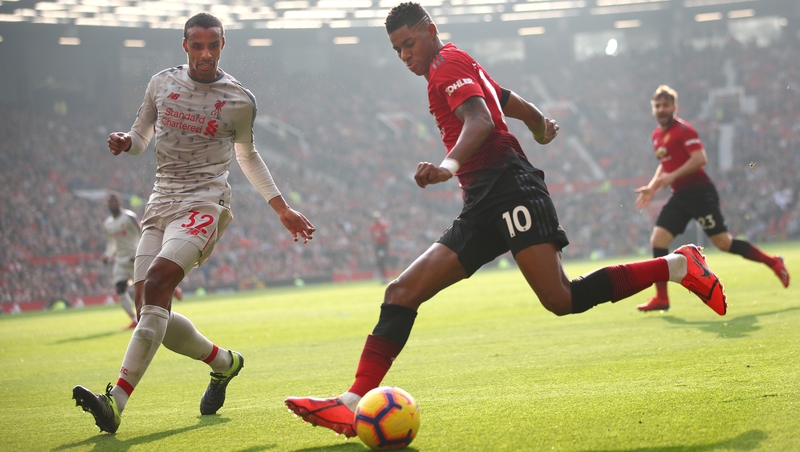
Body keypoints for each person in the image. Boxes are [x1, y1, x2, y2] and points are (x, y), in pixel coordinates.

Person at [284, 2, 726, 438]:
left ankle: (680, 265)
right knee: (401, 291)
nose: (405, 56)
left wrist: (448, 166)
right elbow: (503, 98)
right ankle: (353, 402)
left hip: (510, 188)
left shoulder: (445, 64)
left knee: (561, 298)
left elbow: (478, 118)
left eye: (409, 43)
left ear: (430, 29)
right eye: (397, 49)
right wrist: (537, 123)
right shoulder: (456, 61)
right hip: (482, 202)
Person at [73, 12, 315, 434]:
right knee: (152, 312)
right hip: (160, 202)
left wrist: (280, 206)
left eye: (214, 45)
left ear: (224, 45)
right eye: (197, 45)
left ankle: (116, 402)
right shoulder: (161, 84)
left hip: (205, 202)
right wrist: (127, 142)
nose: (205, 53)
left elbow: (247, 155)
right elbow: (142, 137)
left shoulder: (239, 99)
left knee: (160, 282)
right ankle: (225, 363)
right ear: (184, 46)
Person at [633, 85, 789, 312]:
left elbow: (700, 158)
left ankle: (774, 262)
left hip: (700, 194)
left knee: (723, 243)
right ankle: (662, 298)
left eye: (666, 105)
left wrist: (672, 176)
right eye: (657, 105)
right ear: (653, 109)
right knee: (658, 241)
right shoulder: (657, 135)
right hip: (680, 196)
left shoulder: (684, 130)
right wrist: (651, 187)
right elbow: (664, 164)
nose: (661, 109)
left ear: (674, 107)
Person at [102, 192, 183, 330]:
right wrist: (108, 254)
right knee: (119, 288)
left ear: (120, 202)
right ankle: (134, 320)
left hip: (135, 257)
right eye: (110, 201)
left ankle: (172, 288)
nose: (113, 203)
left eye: (115, 200)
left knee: (149, 284)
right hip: (121, 260)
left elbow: (143, 233)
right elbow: (111, 242)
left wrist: (139, 251)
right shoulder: (108, 223)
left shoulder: (129, 217)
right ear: (108, 205)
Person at [369, 211, 390, 283]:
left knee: (382, 261)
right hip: (377, 246)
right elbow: (372, 237)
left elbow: (387, 235)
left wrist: (388, 246)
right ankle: (383, 277)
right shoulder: (373, 227)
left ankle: (385, 277)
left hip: (383, 245)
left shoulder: (383, 225)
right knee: (380, 262)